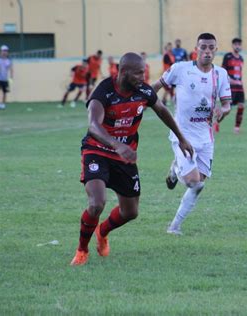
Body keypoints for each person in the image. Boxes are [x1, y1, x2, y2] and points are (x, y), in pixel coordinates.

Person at [70, 52, 193, 266]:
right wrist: (117, 144)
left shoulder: (143, 91)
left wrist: (182, 138)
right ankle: (82, 250)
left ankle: (103, 232)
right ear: (123, 72)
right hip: (97, 150)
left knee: (130, 212)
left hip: (124, 157)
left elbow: (162, 111)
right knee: (97, 203)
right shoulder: (104, 91)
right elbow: (93, 125)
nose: (142, 77)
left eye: (143, 72)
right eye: (138, 73)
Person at [153, 33, 231, 235]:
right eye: (203, 47)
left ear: (216, 50)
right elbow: (157, 86)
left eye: (211, 47)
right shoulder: (181, 69)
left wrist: (223, 110)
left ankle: (174, 226)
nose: (207, 51)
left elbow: (226, 103)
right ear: (196, 48)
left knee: (199, 185)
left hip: (206, 138)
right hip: (182, 135)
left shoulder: (221, 74)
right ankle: (177, 168)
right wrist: (136, 98)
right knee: (192, 181)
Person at [221, 37, 245, 134]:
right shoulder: (228, 56)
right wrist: (231, 81)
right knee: (227, 109)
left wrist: (239, 82)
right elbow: (223, 72)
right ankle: (216, 122)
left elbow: (239, 73)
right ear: (232, 45)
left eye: (239, 44)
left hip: (239, 87)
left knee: (241, 106)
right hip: (230, 87)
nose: (237, 46)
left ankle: (237, 128)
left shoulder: (241, 58)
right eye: (236, 44)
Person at [0, 45, 13, 110]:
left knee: (5, 92)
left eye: (6, 51)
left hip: (5, 79)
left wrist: (11, 78)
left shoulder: (9, 60)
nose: (5, 52)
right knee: (0, 91)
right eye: (3, 51)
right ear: (0, 51)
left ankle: (3, 104)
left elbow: (11, 69)